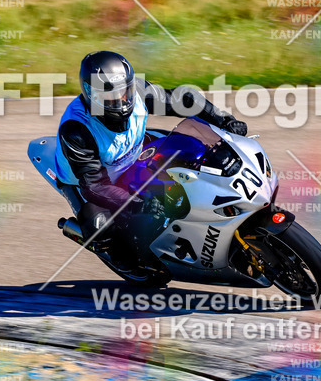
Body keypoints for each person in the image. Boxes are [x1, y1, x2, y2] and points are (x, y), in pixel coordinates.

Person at [55, 50, 247, 264]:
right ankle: (128, 263)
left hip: (136, 151)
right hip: (92, 182)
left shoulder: (138, 91)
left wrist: (224, 120)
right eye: (110, 96)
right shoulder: (76, 129)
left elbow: (183, 99)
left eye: (124, 91)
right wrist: (136, 203)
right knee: (101, 227)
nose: (121, 100)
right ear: (91, 94)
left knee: (195, 155)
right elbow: (94, 186)